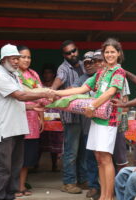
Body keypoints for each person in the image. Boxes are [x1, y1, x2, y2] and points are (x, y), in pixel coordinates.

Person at [54, 38, 126, 200]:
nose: (109, 55)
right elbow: (81, 88)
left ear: (118, 53)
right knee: (99, 159)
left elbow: (110, 92)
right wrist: (56, 93)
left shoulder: (118, 72)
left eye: (112, 52)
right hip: (96, 119)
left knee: (106, 159)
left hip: (108, 120)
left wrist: (92, 106)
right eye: (106, 52)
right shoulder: (101, 73)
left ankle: (108, 197)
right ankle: (103, 196)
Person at [0, 44, 54, 200]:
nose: (17, 62)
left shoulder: (14, 75)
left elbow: (20, 99)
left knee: (15, 166)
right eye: (14, 59)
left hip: (18, 127)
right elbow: (20, 96)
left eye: (18, 58)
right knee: (4, 166)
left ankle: (10, 195)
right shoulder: (1, 77)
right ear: (4, 60)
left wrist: (33, 107)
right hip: (6, 128)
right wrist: (45, 92)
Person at [51, 40, 87, 194]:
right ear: (64, 55)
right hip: (71, 116)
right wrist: (52, 89)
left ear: (77, 50)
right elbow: (59, 79)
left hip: (85, 115)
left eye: (74, 51)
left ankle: (82, 179)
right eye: (68, 52)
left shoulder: (86, 65)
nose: (72, 54)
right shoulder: (63, 68)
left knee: (84, 150)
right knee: (71, 151)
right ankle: (69, 182)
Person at [15, 45, 44, 197]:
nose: (26, 60)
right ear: (16, 58)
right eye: (23, 57)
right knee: (16, 157)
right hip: (17, 122)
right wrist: (34, 108)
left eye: (28, 57)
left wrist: (41, 118)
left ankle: (21, 187)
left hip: (32, 124)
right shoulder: (13, 75)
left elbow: (41, 96)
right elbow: (15, 100)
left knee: (26, 158)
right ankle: (12, 187)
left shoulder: (33, 74)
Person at [72, 51, 100, 199]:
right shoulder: (83, 79)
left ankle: (110, 187)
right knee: (90, 158)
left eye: (93, 62)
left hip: (105, 125)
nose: (90, 65)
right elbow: (74, 90)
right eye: (87, 63)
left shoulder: (110, 77)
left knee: (105, 159)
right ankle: (94, 186)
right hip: (88, 126)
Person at [39, 63, 63, 172]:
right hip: (43, 119)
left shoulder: (58, 88)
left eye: (49, 72)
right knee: (40, 144)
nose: (47, 75)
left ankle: (54, 166)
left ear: (54, 74)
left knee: (55, 144)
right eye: (45, 73)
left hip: (56, 121)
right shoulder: (40, 87)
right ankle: (35, 165)